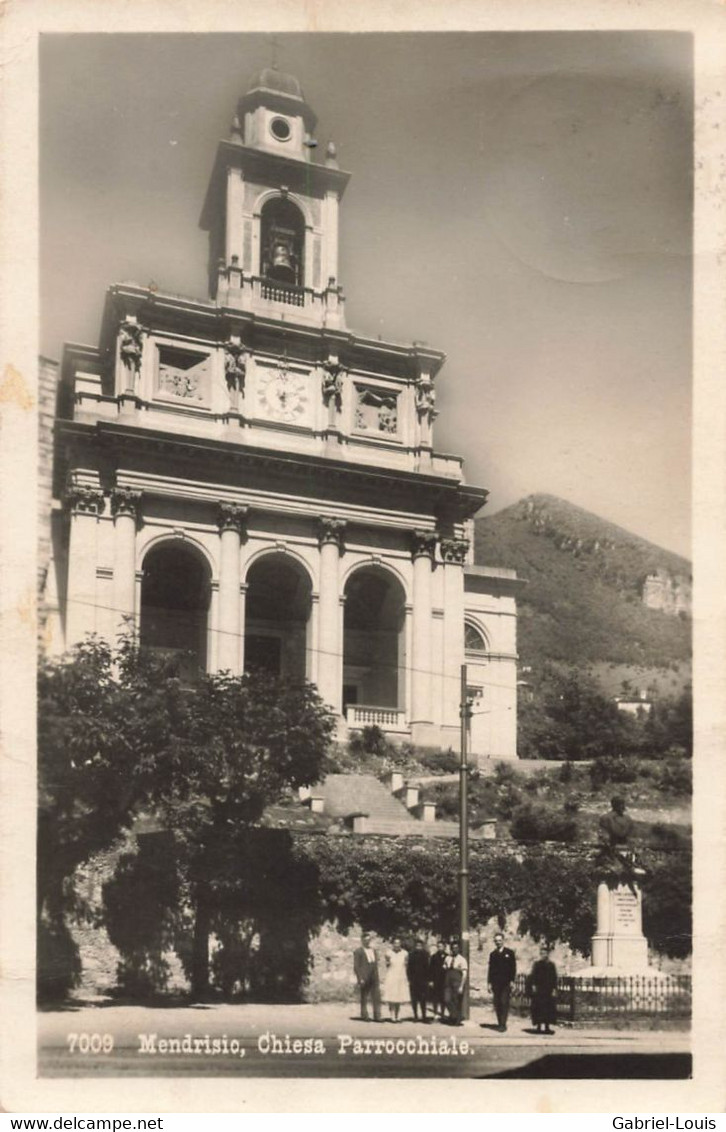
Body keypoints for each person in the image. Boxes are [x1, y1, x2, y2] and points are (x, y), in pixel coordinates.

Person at [488, 931, 517, 1032]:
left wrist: (512, 981)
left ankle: (503, 1024)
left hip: (506, 983)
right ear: (494, 942)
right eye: (496, 941)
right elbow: (490, 970)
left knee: (504, 1002)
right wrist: (489, 983)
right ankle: (499, 1022)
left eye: (500, 941)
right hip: (496, 983)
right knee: (497, 1003)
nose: (498, 942)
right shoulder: (493, 954)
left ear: (503, 941)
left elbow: (513, 968)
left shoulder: (509, 953)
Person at [528, 944, 558, 1035]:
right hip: (539, 990)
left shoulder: (551, 965)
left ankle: (547, 1027)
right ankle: (538, 1026)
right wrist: (533, 986)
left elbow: (554, 978)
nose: (543, 955)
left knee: (548, 1008)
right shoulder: (537, 964)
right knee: (538, 1008)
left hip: (548, 990)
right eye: (541, 953)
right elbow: (533, 976)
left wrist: (554, 989)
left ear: (547, 954)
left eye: (544, 953)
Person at [353, 932, 381, 1022]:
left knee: (376, 996)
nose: (367, 942)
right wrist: (360, 978)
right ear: (362, 941)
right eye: (365, 940)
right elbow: (356, 966)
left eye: (368, 940)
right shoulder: (358, 951)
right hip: (364, 976)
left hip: (374, 976)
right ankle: (364, 1015)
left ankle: (377, 1016)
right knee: (364, 996)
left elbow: (375, 964)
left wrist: (376, 975)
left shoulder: (373, 950)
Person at [382, 937, 410, 1022]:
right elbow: (387, 965)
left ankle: (397, 1015)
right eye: (395, 943)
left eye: (398, 943)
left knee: (399, 997)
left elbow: (406, 965)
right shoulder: (388, 953)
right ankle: (392, 1016)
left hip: (401, 976)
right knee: (392, 997)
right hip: (392, 976)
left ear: (400, 944)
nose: (397, 945)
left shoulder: (405, 953)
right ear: (393, 944)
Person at [443, 938, 468, 1026]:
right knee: (447, 999)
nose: (454, 949)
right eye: (453, 948)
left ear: (459, 949)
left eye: (456, 948)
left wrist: (461, 986)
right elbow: (444, 967)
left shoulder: (462, 959)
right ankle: (454, 1016)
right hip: (448, 982)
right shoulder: (447, 958)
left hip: (457, 982)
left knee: (456, 1001)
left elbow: (464, 974)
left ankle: (456, 1019)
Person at [407, 938, 431, 1023]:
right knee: (414, 999)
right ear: (415, 946)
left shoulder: (425, 954)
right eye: (417, 945)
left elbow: (428, 968)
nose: (418, 947)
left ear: (422, 946)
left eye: (420, 945)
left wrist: (428, 979)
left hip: (423, 980)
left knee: (423, 999)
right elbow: (409, 968)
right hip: (414, 980)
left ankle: (424, 1016)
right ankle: (415, 1016)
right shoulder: (411, 955)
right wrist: (409, 979)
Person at [428, 938, 448, 1019]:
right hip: (436, 979)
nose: (440, 948)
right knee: (435, 997)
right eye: (438, 946)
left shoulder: (448, 956)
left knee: (443, 997)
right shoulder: (434, 957)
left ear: (444, 947)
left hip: (444, 979)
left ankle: (442, 1013)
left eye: (441, 946)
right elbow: (430, 969)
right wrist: (430, 980)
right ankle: (435, 1012)